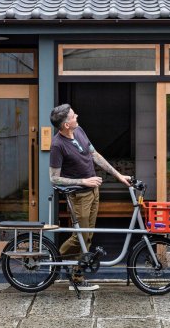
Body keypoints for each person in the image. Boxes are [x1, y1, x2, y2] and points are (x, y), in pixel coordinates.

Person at [49, 104, 132, 291]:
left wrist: (119, 176)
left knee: (88, 236)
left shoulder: (79, 131)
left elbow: (94, 154)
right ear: (65, 125)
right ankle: (54, 261)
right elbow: (53, 178)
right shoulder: (57, 145)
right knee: (80, 237)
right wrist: (84, 181)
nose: (76, 116)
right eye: (72, 116)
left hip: (93, 192)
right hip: (78, 196)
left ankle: (76, 275)